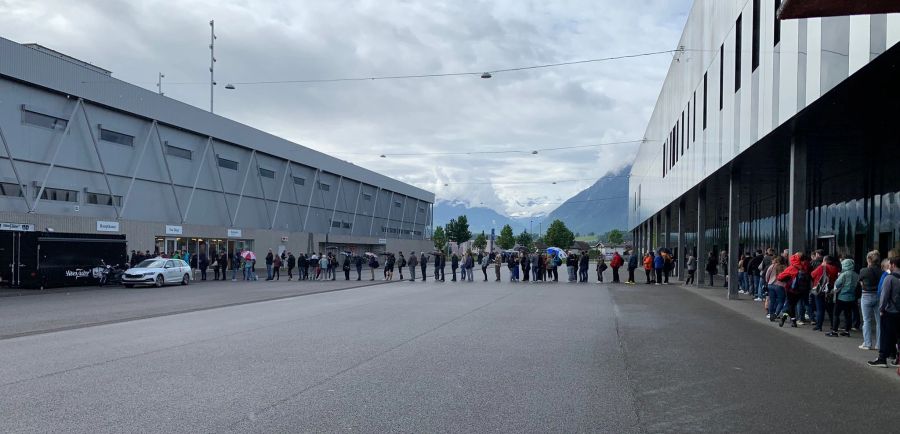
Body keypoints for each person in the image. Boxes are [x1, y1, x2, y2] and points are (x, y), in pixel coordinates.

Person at [868, 257, 900, 368]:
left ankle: (882, 358)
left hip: (890, 311)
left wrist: (881, 309)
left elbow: (884, 295)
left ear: (893, 265)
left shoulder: (889, 278)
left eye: (890, 264)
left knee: (886, 335)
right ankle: (898, 358)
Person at [776, 252, 811, 328]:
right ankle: (788, 319)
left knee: (790, 305)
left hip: (791, 289)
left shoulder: (792, 268)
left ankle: (792, 320)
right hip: (802, 290)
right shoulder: (806, 266)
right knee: (791, 305)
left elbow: (780, 277)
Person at [826, 258, 859, 337]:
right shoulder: (856, 275)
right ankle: (847, 331)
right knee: (848, 314)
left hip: (842, 297)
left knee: (836, 314)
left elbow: (837, 284)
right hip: (851, 297)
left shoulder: (843, 274)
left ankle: (834, 331)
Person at [858, 251, 882, 350]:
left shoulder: (863, 270)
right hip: (878, 296)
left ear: (868, 260)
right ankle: (879, 344)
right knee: (879, 321)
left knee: (866, 321)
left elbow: (860, 282)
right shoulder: (881, 271)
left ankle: (867, 343)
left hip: (866, 296)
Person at [810, 255, 840, 330]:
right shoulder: (835, 268)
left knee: (820, 309)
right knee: (830, 309)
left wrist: (821, 265)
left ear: (825, 261)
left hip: (820, 290)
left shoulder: (822, 267)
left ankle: (819, 326)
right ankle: (833, 325)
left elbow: (812, 274)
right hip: (829, 290)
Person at [766, 255, 788, 321]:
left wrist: (768, 281)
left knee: (772, 301)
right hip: (780, 286)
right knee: (781, 301)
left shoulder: (772, 266)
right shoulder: (785, 267)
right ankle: (776, 314)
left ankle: (770, 314)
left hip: (771, 284)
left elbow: (767, 274)